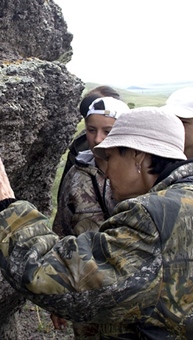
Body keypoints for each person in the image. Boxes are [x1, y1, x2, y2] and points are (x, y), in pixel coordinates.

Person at [0, 107, 193, 338]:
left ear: (138, 156)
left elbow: (53, 280)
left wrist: (9, 211)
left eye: (110, 157)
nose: (105, 171)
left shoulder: (155, 215)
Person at [51, 96, 129, 338]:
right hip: (86, 294)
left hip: (131, 297)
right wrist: (58, 298)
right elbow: (62, 234)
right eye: (91, 130)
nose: (97, 139)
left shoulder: (141, 172)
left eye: (108, 130)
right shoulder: (76, 174)